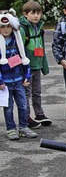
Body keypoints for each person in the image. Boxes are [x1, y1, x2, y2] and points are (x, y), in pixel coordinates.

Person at [0, 9, 37, 140]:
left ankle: (23, 127)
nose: (5, 29)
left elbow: (25, 61)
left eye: (8, 26)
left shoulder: (18, 43)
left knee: (23, 105)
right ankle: (11, 129)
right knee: (8, 108)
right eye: (2, 27)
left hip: (20, 81)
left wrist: (27, 76)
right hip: (6, 82)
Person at [18, 0, 52, 128]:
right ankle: (26, 117)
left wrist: (44, 66)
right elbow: (19, 50)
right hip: (26, 68)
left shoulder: (39, 29)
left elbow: (41, 47)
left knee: (37, 92)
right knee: (26, 93)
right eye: (33, 13)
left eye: (38, 13)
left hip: (37, 66)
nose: (36, 16)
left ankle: (39, 114)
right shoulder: (23, 30)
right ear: (25, 14)